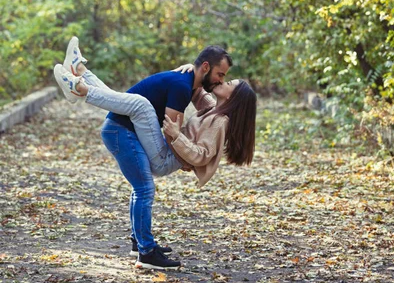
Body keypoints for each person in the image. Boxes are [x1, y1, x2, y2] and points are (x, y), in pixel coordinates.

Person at [54, 38, 256, 270]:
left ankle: (80, 88)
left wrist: (177, 136)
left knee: (140, 106)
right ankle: (80, 72)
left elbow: (202, 155)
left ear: (234, 97)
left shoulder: (221, 121)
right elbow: (197, 90)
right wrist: (192, 69)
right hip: (169, 152)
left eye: (227, 80)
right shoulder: (213, 107)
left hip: (168, 158)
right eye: (222, 75)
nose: (222, 80)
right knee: (125, 101)